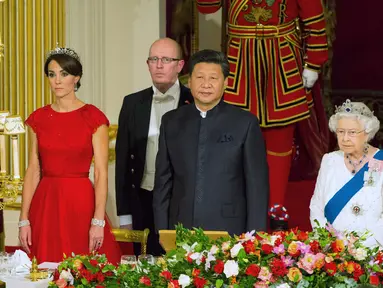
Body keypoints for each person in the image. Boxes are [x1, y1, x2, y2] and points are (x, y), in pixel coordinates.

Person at [196, 0, 329, 222]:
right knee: (236, 138)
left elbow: (314, 18)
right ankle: (237, 208)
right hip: (241, 59)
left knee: (280, 140)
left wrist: (313, 62)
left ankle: (276, 211)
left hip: (281, 58)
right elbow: (207, 7)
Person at [18, 47, 121, 263]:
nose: (57, 81)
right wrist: (24, 219)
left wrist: (98, 221)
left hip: (80, 204)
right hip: (45, 204)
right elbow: (33, 170)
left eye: (64, 74)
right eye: (52, 74)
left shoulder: (93, 117)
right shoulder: (39, 118)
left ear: (77, 78)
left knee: (85, 270)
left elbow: (102, 174)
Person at [153, 49, 269, 235]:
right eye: (199, 78)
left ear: (226, 83)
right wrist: (161, 232)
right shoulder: (171, 122)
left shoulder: (245, 123)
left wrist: (254, 237)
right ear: (189, 82)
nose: (206, 85)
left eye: (213, 78)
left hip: (230, 230)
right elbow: (162, 184)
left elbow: (257, 187)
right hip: (181, 227)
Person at [115, 38, 193, 255]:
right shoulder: (132, 103)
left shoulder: (194, 101)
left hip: (181, 202)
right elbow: (122, 161)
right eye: (154, 59)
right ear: (147, 64)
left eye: (166, 59)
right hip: (142, 200)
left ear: (179, 65)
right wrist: (125, 215)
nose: (159, 65)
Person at [310, 99, 383, 248]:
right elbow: (316, 206)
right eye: (340, 132)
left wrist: (363, 246)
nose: (345, 138)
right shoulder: (329, 160)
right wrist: (326, 241)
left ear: (367, 132)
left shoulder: (381, 161)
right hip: (333, 249)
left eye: (352, 132)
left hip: (373, 249)